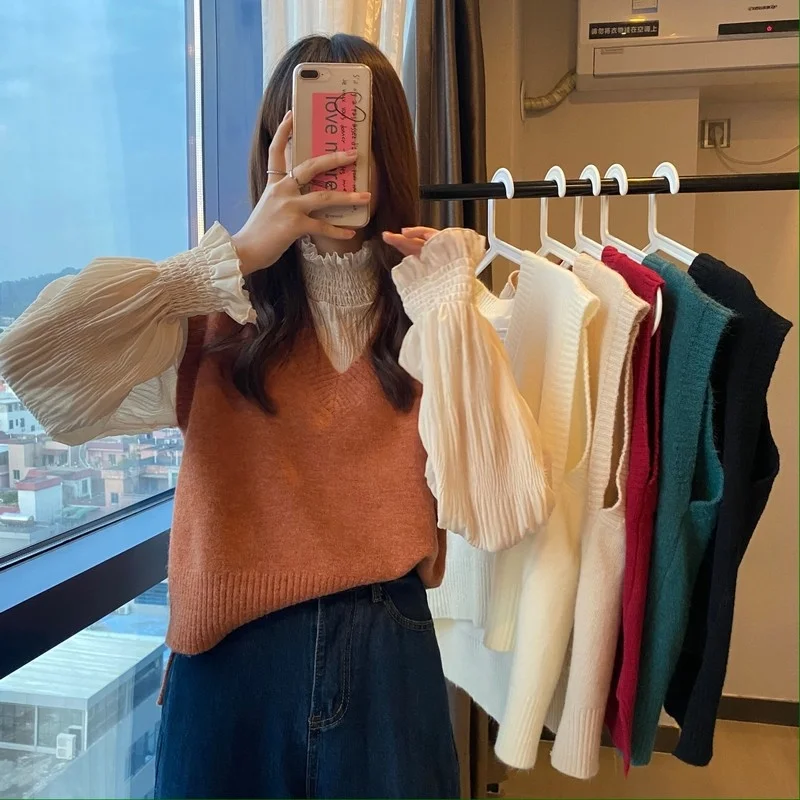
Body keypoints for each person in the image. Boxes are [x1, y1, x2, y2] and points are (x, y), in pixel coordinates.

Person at [0, 35, 552, 799]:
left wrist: (452, 311)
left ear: (387, 149)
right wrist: (232, 256)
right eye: (314, 134)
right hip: (229, 669)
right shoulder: (214, 311)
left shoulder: (435, 306)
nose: (335, 159)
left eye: (353, 132)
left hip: (387, 664)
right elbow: (32, 362)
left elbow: (501, 512)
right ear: (275, 148)